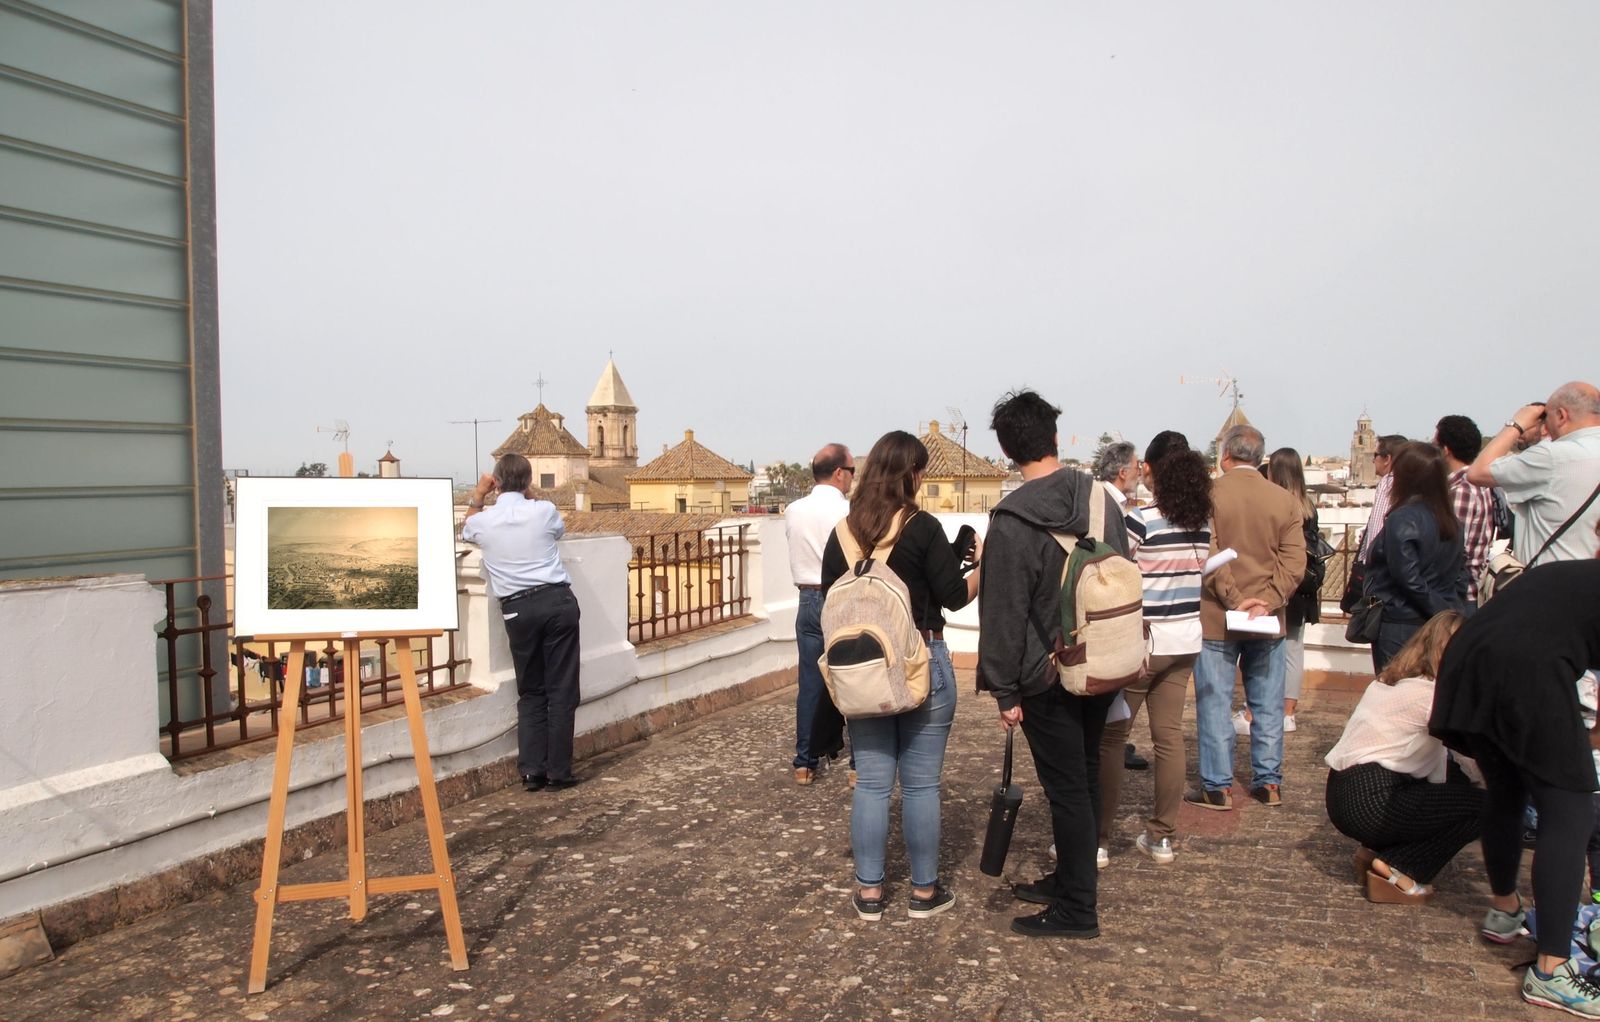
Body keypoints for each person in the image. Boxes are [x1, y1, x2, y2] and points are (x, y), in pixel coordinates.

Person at [977, 390, 1129, 939]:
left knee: (1065, 788)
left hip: (1045, 671)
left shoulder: (1013, 519)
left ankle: (1078, 909)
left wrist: (1004, 691)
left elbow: (1003, 612)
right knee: (1084, 776)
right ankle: (1070, 878)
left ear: (1005, 449)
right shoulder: (1100, 500)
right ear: (1056, 437)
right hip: (1101, 658)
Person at [817, 431, 978, 921]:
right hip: (921, 663)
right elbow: (954, 595)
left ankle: (869, 892)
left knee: (871, 783)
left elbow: (831, 603)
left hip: (864, 672)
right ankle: (924, 893)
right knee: (922, 785)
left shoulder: (843, 533)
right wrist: (982, 567)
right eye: (922, 471)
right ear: (910, 474)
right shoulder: (923, 526)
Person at [1429, 559, 1600, 1016]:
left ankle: (1505, 912)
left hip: (1467, 662)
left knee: (1507, 790)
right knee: (1573, 809)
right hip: (1528, 672)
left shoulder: (1564, 572)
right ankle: (1552, 971)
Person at [1097, 442, 1211, 867]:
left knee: (1112, 738)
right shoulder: (1201, 527)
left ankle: (1099, 838)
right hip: (1185, 643)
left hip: (1145, 643)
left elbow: (1112, 565)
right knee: (1169, 738)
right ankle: (1162, 835)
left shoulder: (1142, 522)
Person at [1324, 611, 1482, 904]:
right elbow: (1471, 759)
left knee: (1448, 786)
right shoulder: (1433, 695)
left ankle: (1373, 850)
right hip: (1372, 802)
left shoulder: (1390, 680)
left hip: (1341, 794)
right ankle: (1401, 867)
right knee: (1488, 807)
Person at [1189, 424, 1306, 811]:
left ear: (1226, 454)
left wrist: (1235, 599)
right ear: (1260, 458)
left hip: (1218, 617)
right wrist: (1266, 601)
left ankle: (1217, 786)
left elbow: (1210, 553)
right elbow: (1294, 562)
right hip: (1267, 619)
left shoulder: (1209, 495)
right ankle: (1268, 782)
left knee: (1214, 701)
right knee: (1268, 701)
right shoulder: (1284, 500)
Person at [461, 454, 581, 791]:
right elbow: (558, 529)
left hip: (518, 609)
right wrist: (531, 496)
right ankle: (559, 771)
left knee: (531, 690)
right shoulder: (541, 511)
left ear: (496, 482)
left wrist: (480, 496)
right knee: (561, 689)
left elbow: (466, 529)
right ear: (529, 482)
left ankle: (532, 771)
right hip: (557, 602)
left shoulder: (484, 521)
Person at [1362, 443, 1469, 672]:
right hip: (1439, 622)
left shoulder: (1402, 519)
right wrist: (1447, 609)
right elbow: (1461, 572)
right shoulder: (1452, 521)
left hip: (1401, 622)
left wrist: (1437, 608)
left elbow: (1407, 577)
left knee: (1394, 690)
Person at [1467, 381, 1600, 565]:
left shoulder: (1552, 456)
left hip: (1552, 581)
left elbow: (1477, 472)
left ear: (1561, 415)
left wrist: (1516, 423)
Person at [783, 443, 853, 786]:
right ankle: (859, 764)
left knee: (810, 683)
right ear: (839, 473)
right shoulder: (848, 512)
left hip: (807, 600)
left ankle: (804, 763)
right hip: (841, 597)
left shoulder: (793, 510)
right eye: (852, 471)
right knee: (854, 677)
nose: (853, 478)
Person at [1093, 439, 1150, 773]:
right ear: (1122, 471)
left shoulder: (1096, 500)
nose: (1139, 472)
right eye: (1136, 466)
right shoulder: (1114, 509)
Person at [1263, 447, 1321, 733]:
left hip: (1277, 582)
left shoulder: (1275, 504)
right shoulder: (1309, 506)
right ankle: (1288, 712)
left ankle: (1262, 708)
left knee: (1268, 647)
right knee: (1294, 649)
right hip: (1303, 588)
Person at [1434, 415, 1495, 606]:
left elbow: (1453, 550)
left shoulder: (1462, 491)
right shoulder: (1479, 484)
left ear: (1446, 450)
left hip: (1459, 597)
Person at [1358, 434, 1409, 563]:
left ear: (1387, 459)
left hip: (1380, 566)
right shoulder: (1410, 482)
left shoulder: (1387, 482)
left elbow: (1378, 528)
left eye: (1376, 455)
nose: (1373, 460)